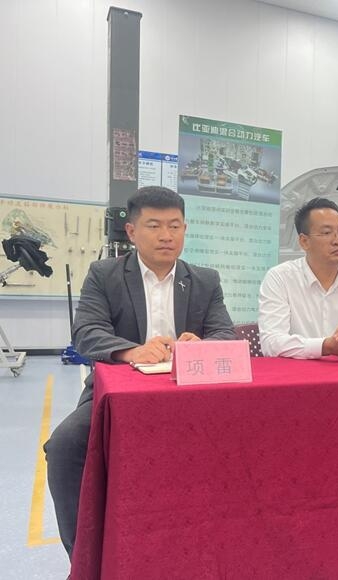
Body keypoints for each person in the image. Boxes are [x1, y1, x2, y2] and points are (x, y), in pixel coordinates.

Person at [43, 186, 236, 559]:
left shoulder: (205, 280)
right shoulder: (105, 274)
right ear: (131, 232)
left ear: (185, 229)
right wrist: (132, 351)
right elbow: (86, 333)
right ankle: (82, 557)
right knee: (65, 446)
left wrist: (200, 345)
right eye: (154, 225)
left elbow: (225, 334)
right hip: (118, 393)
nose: (166, 235)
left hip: (190, 392)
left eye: (175, 226)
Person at [258, 197, 338, 358]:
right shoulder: (280, 278)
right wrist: (326, 346)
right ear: (304, 241)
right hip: (298, 371)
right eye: (326, 233)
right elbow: (271, 343)